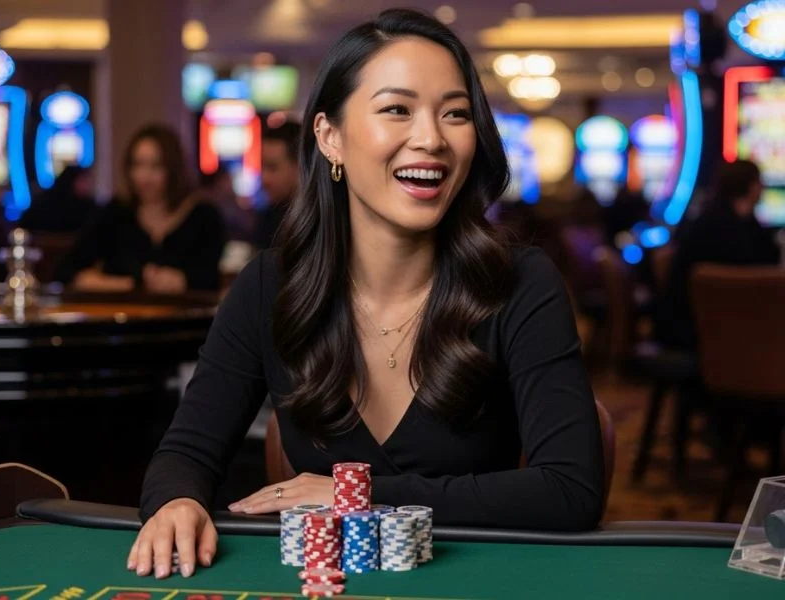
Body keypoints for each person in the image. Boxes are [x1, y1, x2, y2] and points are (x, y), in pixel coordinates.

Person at [128, 9, 603, 579]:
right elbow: (184, 454)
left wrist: (355, 493)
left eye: (455, 114)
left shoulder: (521, 283)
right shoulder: (270, 286)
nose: (431, 138)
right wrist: (176, 501)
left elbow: (571, 491)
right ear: (330, 137)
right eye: (397, 109)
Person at [54, 124, 225, 293]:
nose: (145, 177)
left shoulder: (204, 215)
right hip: (124, 316)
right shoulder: (115, 213)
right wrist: (128, 285)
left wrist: (181, 281)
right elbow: (65, 272)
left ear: (174, 169)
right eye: (137, 165)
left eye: (156, 166)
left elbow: (212, 280)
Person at [657, 159, 780, 349]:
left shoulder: (731, 219)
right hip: (699, 332)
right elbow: (755, 279)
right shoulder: (722, 227)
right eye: (760, 182)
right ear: (751, 187)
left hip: (702, 325)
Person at [252, 120, 300, 249]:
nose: (264, 178)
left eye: (272, 167)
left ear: (300, 166)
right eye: (262, 166)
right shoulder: (269, 218)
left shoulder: (323, 221)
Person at [20, 166, 96, 233]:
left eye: (88, 182)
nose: (87, 186)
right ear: (71, 181)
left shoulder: (89, 206)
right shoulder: (46, 203)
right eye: (83, 181)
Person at [200, 166, 256, 242]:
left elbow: (250, 225)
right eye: (227, 180)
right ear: (219, 182)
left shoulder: (235, 202)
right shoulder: (208, 203)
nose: (231, 184)